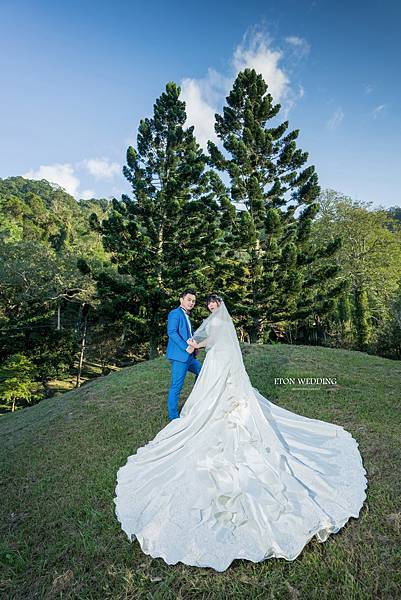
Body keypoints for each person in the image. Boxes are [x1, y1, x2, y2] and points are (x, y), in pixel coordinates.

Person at [114, 295, 368, 572]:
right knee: (193, 388)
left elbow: (214, 342)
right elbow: (181, 335)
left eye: (212, 306)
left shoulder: (219, 323)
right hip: (202, 359)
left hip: (218, 362)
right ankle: (177, 416)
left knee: (216, 393)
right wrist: (193, 344)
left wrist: (196, 344)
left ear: (218, 306)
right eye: (206, 306)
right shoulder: (191, 316)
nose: (210, 309)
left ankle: (194, 416)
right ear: (187, 302)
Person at [165, 289, 202, 420]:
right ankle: (173, 417)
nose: (191, 303)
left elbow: (188, 335)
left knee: (202, 371)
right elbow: (172, 333)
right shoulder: (175, 313)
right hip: (180, 357)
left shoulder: (186, 315)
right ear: (181, 300)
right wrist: (187, 347)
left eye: (193, 301)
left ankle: (196, 399)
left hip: (190, 357)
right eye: (189, 300)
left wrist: (194, 347)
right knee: (176, 386)